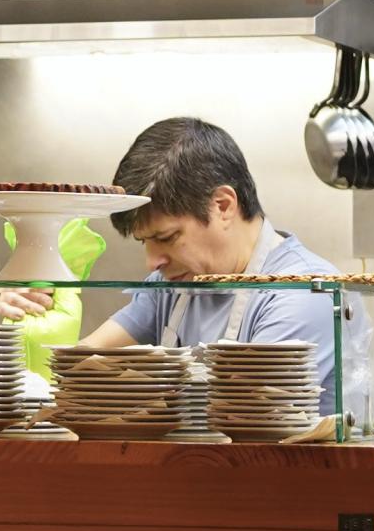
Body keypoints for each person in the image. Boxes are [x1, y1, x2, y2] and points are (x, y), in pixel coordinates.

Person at [53, 116, 342, 403]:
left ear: (223, 206)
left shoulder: (304, 293)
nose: (151, 262)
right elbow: (80, 363)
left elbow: (247, 413)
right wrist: (44, 310)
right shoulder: (170, 286)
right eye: (144, 241)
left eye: (166, 237)